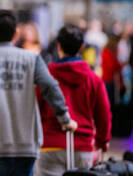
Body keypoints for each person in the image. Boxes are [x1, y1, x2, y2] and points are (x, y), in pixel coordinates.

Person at [0, 9, 77, 176]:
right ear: (16, 33)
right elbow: (50, 86)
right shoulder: (31, 58)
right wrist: (64, 118)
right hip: (25, 146)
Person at [36, 24, 111, 176]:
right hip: (82, 147)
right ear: (82, 46)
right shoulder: (93, 79)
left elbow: (36, 108)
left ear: (58, 46)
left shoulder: (46, 76)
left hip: (50, 145)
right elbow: (103, 114)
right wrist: (102, 142)